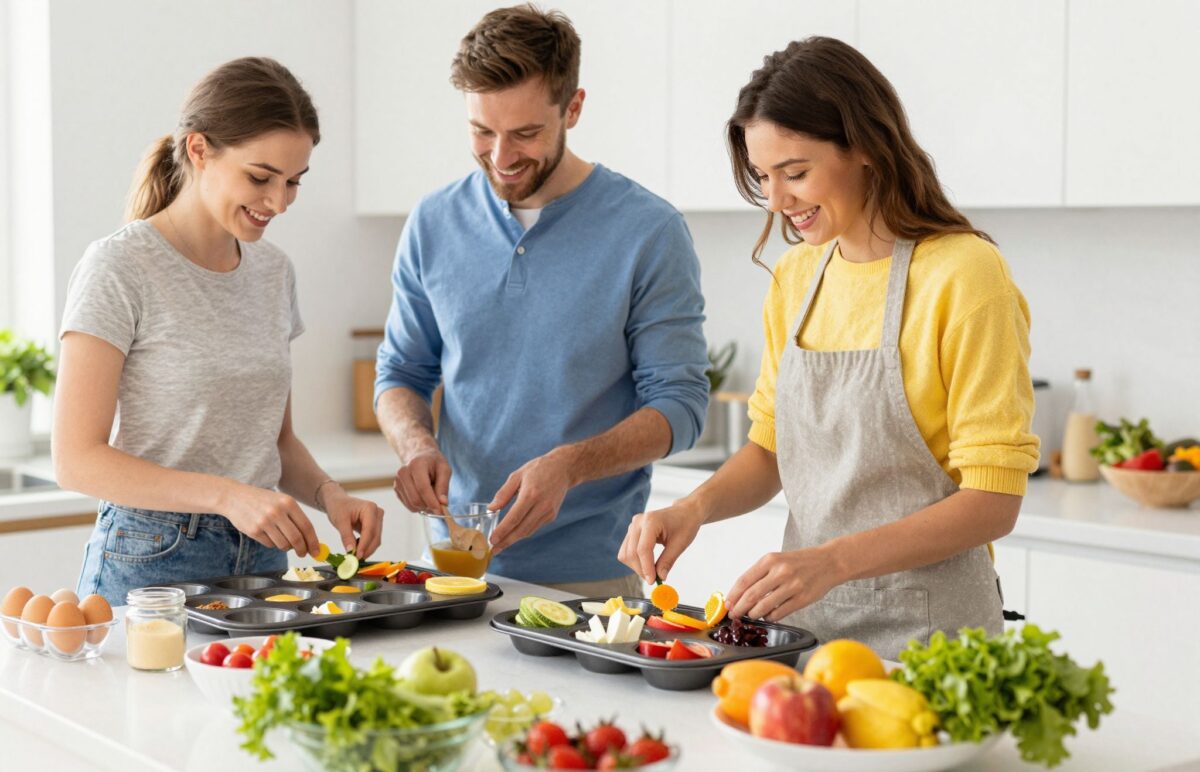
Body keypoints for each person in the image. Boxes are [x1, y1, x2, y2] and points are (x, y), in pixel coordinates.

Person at [619, 37, 1039, 660]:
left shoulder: (965, 275)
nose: (777, 201)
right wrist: (692, 509)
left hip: (932, 639)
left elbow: (993, 503)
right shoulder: (797, 278)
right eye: (763, 177)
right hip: (808, 632)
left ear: (866, 147)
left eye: (795, 172)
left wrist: (834, 560)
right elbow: (771, 453)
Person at [375, 4, 709, 597]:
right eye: (482, 131)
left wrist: (570, 466)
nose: (501, 158)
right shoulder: (433, 221)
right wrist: (415, 442)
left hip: (596, 577)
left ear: (573, 108)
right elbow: (400, 372)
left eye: (525, 133)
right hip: (456, 568)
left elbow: (681, 406)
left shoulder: (648, 231)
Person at [54, 57, 383, 605]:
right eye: (260, 177)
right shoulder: (120, 267)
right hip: (153, 559)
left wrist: (331, 495)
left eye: (293, 182)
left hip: (265, 563)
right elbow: (75, 458)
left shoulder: (273, 271)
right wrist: (229, 497)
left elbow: (275, 442)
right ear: (199, 149)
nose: (278, 202)